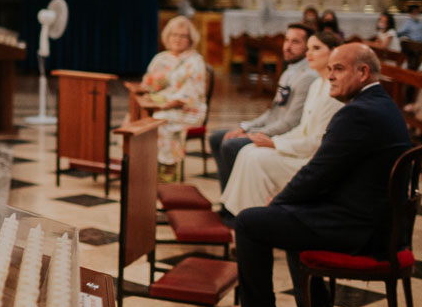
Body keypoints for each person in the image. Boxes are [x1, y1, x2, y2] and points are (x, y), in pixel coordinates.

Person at [221, 44, 413, 307]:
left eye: (338, 69)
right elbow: (331, 172)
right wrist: (289, 203)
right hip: (374, 220)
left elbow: (318, 172)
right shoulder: (381, 104)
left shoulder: (357, 114)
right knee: (292, 213)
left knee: (250, 222)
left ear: (363, 72)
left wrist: (279, 203)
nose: (330, 76)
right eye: (330, 69)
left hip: (360, 229)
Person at [220, 30, 344, 216]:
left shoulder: (333, 91)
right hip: (299, 148)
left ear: (334, 52)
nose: (309, 54)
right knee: (247, 152)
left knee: (255, 159)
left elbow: (317, 142)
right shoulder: (317, 85)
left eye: (316, 48)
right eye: (308, 49)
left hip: (309, 159)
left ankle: (255, 219)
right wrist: (273, 141)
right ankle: (244, 216)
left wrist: (275, 143)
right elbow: (301, 128)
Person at [209, 24, 317, 190]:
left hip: (281, 136)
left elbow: (290, 122)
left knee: (230, 145)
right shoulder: (289, 72)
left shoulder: (307, 77)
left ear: (307, 47)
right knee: (216, 137)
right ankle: (227, 198)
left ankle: (233, 205)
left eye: (295, 42)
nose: (287, 46)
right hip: (268, 129)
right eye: (286, 40)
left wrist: (253, 135)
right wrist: (245, 127)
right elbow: (272, 112)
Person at [133, 16, 208, 183]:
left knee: (159, 121)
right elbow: (147, 84)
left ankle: (167, 169)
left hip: (187, 109)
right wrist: (147, 97)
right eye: (174, 35)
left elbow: (190, 94)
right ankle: (142, 165)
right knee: (134, 118)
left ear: (190, 40)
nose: (178, 39)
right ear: (167, 36)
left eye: (183, 36)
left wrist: (164, 106)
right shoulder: (161, 58)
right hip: (159, 105)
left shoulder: (194, 61)